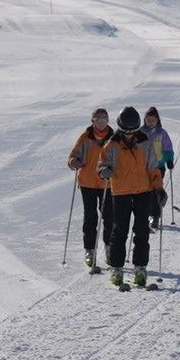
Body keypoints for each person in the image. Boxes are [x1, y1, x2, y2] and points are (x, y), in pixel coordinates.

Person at [98, 107, 163, 288]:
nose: (129, 135)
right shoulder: (112, 144)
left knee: (142, 230)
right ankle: (117, 267)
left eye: (132, 132)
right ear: (120, 128)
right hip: (120, 192)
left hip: (143, 191)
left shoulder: (146, 142)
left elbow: (153, 166)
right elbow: (101, 164)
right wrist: (104, 171)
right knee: (119, 230)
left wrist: (158, 187)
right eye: (125, 132)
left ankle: (140, 267)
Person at [66, 108, 114, 271]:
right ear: (92, 120)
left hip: (106, 182)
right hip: (87, 182)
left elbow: (120, 159)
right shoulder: (85, 137)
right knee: (90, 217)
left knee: (109, 217)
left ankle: (109, 248)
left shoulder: (113, 138)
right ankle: (90, 251)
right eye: (98, 119)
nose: (102, 122)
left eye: (104, 119)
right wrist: (74, 162)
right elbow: (72, 156)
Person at [143, 106, 175, 229]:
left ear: (157, 120)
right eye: (148, 120)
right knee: (146, 191)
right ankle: (145, 215)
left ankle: (155, 216)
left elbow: (167, 148)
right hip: (144, 167)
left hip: (158, 166)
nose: (150, 122)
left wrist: (169, 160)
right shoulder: (141, 132)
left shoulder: (161, 133)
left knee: (155, 190)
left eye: (153, 120)